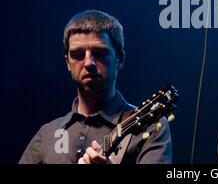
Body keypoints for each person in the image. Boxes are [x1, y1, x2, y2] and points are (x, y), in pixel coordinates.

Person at [19, 10, 172, 164]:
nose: (88, 63)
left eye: (99, 53)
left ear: (119, 59)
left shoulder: (150, 127)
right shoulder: (47, 134)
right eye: (78, 54)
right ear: (67, 63)